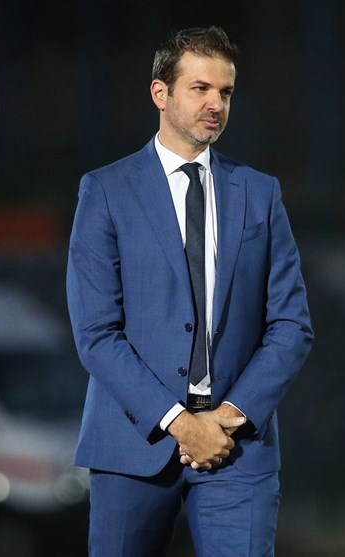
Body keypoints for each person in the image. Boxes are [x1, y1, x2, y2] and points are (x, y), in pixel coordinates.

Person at [66, 26, 313, 556]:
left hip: (236, 447)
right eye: (200, 88)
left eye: (225, 92)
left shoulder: (260, 192)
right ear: (161, 93)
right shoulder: (105, 191)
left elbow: (292, 325)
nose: (215, 104)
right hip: (132, 444)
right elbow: (96, 334)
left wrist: (229, 416)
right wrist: (179, 423)